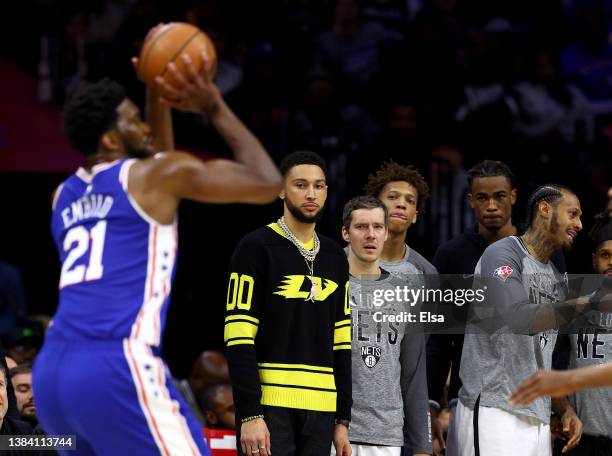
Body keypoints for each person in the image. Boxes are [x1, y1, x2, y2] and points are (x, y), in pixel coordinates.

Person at [32, 32, 282, 455]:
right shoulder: (152, 177)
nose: (143, 126)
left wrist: (155, 92)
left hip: (52, 371)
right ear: (111, 141)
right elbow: (267, 183)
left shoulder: (64, 195)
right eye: (132, 120)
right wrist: (213, 106)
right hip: (115, 361)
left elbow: (154, 163)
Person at [426, 160, 566, 455]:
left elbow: (557, 339)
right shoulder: (451, 256)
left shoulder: (550, 256)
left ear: (513, 197)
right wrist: (431, 402)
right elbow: (440, 338)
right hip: (478, 400)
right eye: (482, 197)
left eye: (499, 196)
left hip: (537, 404)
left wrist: (561, 403)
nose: (491, 205)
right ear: (470, 201)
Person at [224, 151, 351, 456]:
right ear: (281, 190)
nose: (311, 194)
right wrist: (250, 414)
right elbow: (238, 337)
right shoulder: (254, 247)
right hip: (269, 408)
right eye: (300, 184)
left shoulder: (335, 257)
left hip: (322, 411)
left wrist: (342, 418)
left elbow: (342, 342)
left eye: (319, 186)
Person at [456, 184, 584, 456]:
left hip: (536, 416)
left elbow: (541, 358)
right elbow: (518, 317)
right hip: (496, 408)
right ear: (545, 209)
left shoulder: (555, 276)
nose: (579, 224)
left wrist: (564, 409)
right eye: (572, 214)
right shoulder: (503, 253)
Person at [510, 210, 612, 455]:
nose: (611, 262)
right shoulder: (573, 311)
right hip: (581, 437)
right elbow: (549, 366)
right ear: (593, 259)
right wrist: (562, 409)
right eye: (605, 255)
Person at [340, 195, 431, 456]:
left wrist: (422, 446)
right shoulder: (331, 287)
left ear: (386, 232)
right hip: (336, 431)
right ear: (346, 233)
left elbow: (413, 374)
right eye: (361, 227)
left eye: (378, 227)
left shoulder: (405, 292)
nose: (370, 235)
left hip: (387, 435)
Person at [363, 160, 440, 453]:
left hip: (392, 423)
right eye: (392, 197)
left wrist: (421, 443)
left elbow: (415, 364)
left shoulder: (426, 274)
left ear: (416, 215)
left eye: (410, 201)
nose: (401, 205)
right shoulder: (339, 263)